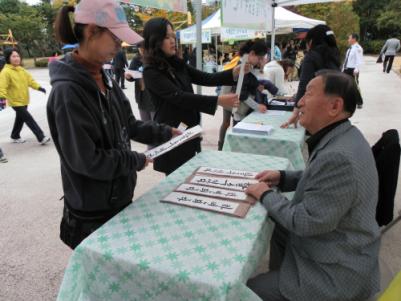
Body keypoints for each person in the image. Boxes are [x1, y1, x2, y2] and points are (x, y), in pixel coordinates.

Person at [48, 0, 180, 249]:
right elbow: (87, 161)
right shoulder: (68, 92)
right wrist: (135, 160)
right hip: (93, 209)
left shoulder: (104, 75)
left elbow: (128, 124)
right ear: (91, 32)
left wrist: (164, 131)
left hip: (118, 196)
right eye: (116, 37)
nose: (121, 45)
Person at [246, 70, 380, 301]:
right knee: (276, 226)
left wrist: (265, 194)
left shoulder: (339, 157)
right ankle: (282, 275)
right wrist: (283, 177)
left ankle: (285, 288)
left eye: (308, 94)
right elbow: (320, 179)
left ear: (334, 107)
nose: (299, 101)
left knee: (249, 289)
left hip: (336, 271)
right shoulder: (344, 135)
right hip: (336, 242)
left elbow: (304, 222)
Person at [143, 17, 242, 175]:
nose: (173, 41)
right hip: (172, 136)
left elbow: (206, 78)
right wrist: (217, 100)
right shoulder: (151, 71)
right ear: (155, 40)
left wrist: (233, 73)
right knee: (176, 181)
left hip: (190, 132)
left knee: (191, 176)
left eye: (173, 37)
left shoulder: (177, 64)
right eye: (167, 37)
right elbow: (179, 97)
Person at [282, 25, 341, 128]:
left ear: (312, 41)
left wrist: (295, 112)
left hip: (317, 107)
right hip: (334, 107)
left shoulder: (312, 56)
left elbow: (303, 85)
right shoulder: (335, 55)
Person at [0, 48, 50, 144]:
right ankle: (41, 137)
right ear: (8, 58)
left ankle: (15, 135)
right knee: (28, 118)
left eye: (18, 56)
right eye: (13, 56)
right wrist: (2, 99)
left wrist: (39, 87)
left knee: (20, 119)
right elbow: (2, 87)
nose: (16, 58)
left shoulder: (21, 70)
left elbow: (30, 81)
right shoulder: (5, 72)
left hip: (24, 99)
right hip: (15, 101)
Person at [125, 41, 155, 122]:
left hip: (153, 95)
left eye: (143, 48)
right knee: (145, 120)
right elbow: (131, 74)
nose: (141, 51)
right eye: (139, 49)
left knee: (155, 120)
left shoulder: (154, 59)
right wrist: (128, 77)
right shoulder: (136, 59)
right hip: (141, 95)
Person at [342, 33, 364, 108]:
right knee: (345, 85)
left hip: (353, 70)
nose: (348, 40)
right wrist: (343, 68)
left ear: (354, 39)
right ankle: (348, 101)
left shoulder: (358, 48)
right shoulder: (350, 48)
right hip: (346, 69)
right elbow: (347, 60)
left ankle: (359, 102)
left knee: (354, 85)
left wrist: (357, 69)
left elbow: (359, 60)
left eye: (349, 38)